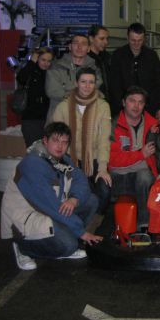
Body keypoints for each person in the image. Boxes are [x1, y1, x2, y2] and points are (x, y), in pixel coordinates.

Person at [0, 122, 102, 271]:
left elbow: (81, 180)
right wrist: (81, 232)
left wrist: (74, 199)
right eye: (55, 140)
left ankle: (61, 242)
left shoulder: (63, 159)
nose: (60, 146)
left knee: (91, 200)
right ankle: (23, 247)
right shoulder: (32, 164)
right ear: (45, 141)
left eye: (64, 142)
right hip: (27, 217)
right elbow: (49, 204)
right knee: (69, 245)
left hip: (49, 211)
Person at [52, 67, 112, 221]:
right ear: (76, 83)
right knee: (81, 195)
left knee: (105, 191)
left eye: (91, 82)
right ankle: (80, 224)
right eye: (83, 82)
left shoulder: (103, 106)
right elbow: (56, 139)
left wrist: (103, 168)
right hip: (69, 160)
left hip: (95, 159)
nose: (87, 86)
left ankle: (95, 222)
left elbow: (104, 139)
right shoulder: (63, 107)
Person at [109, 86, 159, 228]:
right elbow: (113, 160)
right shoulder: (112, 125)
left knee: (145, 176)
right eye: (132, 101)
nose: (136, 106)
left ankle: (144, 223)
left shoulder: (154, 125)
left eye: (140, 102)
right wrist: (141, 155)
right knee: (142, 174)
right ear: (124, 102)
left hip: (144, 179)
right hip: (119, 179)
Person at [109, 23, 160, 120]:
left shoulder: (151, 56)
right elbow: (114, 84)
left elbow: (159, 83)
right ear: (127, 38)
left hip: (149, 108)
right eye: (133, 40)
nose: (136, 43)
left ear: (144, 39)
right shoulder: (118, 55)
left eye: (139, 40)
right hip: (124, 108)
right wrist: (121, 105)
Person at [45, 33, 102, 123]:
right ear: (70, 47)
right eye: (76, 43)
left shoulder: (95, 68)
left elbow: (96, 90)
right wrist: (81, 90)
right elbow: (53, 91)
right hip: (59, 121)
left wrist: (67, 88)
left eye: (83, 44)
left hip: (86, 121)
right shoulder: (56, 66)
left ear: (88, 49)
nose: (79, 47)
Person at [17, 47, 54, 147]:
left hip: (48, 117)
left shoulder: (51, 73)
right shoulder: (31, 70)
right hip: (31, 118)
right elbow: (21, 78)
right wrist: (31, 62)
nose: (46, 63)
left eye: (49, 61)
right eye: (43, 60)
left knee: (48, 150)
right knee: (34, 150)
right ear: (37, 59)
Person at [87, 25, 112, 105]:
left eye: (107, 39)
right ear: (91, 39)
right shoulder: (84, 58)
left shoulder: (108, 57)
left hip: (108, 101)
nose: (106, 42)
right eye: (101, 39)